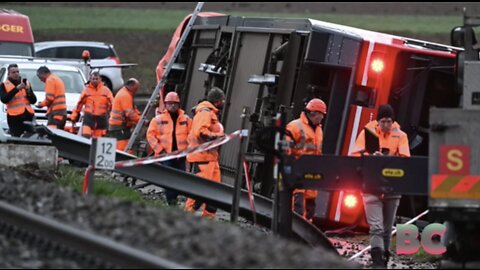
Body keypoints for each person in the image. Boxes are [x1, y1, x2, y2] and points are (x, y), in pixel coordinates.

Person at [350, 104, 410, 268]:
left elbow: (405, 159)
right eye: (383, 121)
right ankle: (378, 263)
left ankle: (384, 256)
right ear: (378, 122)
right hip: (370, 186)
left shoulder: (401, 136)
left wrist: (388, 158)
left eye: (388, 121)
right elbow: (354, 154)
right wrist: (371, 157)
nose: (385, 125)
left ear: (393, 121)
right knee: (376, 227)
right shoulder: (367, 133)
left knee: (387, 228)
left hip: (392, 188)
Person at [184, 87, 225, 218]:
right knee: (198, 193)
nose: (224, 102)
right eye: (222, 100)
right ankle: (186, 218)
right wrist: (217, 136)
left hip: (211, 159)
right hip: (202, 160)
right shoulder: (205, 112)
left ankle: (207, 220)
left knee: (214, 194)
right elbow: (201, 132)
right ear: (218, 101)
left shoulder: (210, 113)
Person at [147, 91, 192, 205]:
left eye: (175, 103)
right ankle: (171, 201)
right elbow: (150, 136)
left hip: (181, 155)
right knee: (168, 179)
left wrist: (190, 151)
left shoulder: (186, 119)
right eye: (170, 103)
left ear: (178, 105)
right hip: (165, 155)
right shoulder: (158, 119)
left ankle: (173, 198)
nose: (172, 105)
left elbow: (192, 135)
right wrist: (159, 149)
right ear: (166, 105)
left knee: (181, 178)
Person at [286, 98, 327, 221]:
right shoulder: (294, 126)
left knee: (309, 211)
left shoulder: (319, 130)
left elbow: (318, 152)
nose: (322, 118)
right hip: (298, 174)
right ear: (313, 113)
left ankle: (302, 237)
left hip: (311, 178)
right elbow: (285, 150)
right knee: (297, 208)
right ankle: (292, 236)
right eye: (321, 115)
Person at [70, 71, 114, 138]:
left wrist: (111, 116)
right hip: (88, 118)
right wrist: (74, 116)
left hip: (101, 119)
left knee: (98, 140)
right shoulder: (86, 90)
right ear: (90, 79)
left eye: (96, 79)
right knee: (85, 137)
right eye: (93, 79)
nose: (95, 81)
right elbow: (79, 105)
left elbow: (112, 104)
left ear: (100, 79)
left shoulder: (106, 91)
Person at [0, 64, 37, 137]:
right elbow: (4, 99)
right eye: (13, 72)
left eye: (17, 71)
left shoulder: (26, 83)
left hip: (28, 115)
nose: (16, 74)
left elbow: (33, 101)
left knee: (31, 137)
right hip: (14, 117)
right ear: (9, 74)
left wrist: (28, 91)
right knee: (16, 137)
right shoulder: (4, 85)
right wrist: (16, 89)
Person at [108, 78, 141, 151]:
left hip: (119, 127)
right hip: (120, 128)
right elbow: (130, 114)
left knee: (124, 148)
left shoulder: (124, 93)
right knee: (123, 150)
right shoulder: (125, 96)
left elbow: (132, 109)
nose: (136, 91)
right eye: (136, 88)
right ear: (132, 87)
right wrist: (141, 121)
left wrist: (139, 116)